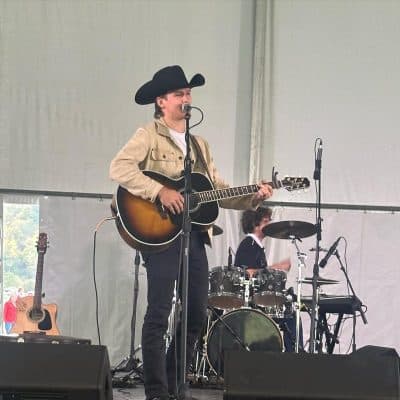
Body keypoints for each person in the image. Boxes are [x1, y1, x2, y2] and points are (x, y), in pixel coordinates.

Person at [109, 65, 273, 400]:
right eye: (179, 94)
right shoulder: (148, 135)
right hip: (160, 236)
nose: (186, 98)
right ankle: (156, 391)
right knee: (158, 312)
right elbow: (119, 168)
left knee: (196, 313)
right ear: (161, 101)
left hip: (195, 236)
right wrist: (159, 192)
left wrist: (254, 196)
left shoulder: (200, 145)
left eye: (188, 93)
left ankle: (174, 384)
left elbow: (218, 190)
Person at [235, 207, 303, 352]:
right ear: (256, 225)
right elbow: (247, 273)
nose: (269, 225)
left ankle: (292, 355)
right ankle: (295, 357)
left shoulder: (257, 247)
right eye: (266, 221)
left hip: (259, 300)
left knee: (291, 307)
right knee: (291, 314)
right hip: (253, 302)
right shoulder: (249, 244)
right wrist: (276, 267)